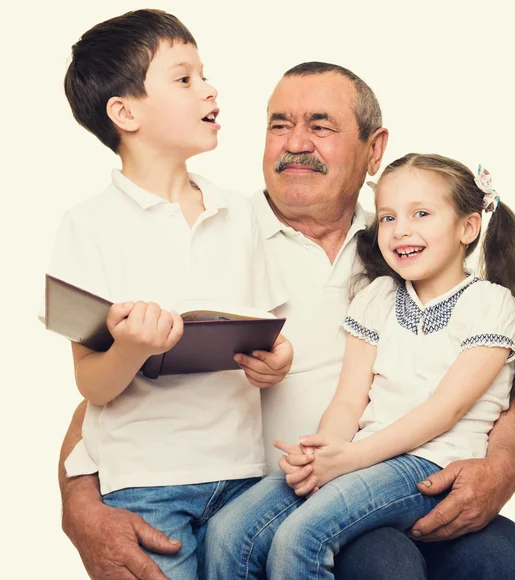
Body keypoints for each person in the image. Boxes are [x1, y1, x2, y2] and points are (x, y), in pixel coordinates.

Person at [58, 62, 515, 580]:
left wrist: (502, 463)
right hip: (281, 492)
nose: (296, 143)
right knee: (382, 563)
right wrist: (81, 507)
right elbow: (109, 387)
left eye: (320, 126)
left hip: (409, 472)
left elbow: (491, 380)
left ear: (374, 149)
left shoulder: (408, 241)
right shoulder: (219, 234)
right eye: (278, 125)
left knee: (504, 558)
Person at [205, 153, 515, 579]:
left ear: (468, 227)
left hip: (431, 462)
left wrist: (351, 458)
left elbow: (443, 412)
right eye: (388, 217)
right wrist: (323, 452)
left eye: (422, 214)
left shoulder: (490, 305)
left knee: (302, 536)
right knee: (228, 532)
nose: (401, 230)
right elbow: (348, 399)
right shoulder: (377, 297)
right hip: (367, 457)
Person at [43, 9, 293, 579]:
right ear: (125, 112)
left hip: (244, 477)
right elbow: (92, 384)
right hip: (144, 485)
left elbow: (271, 334)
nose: (210, 90)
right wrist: (131, 347)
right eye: (184, 79)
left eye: (204, 74)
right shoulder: (89, 226)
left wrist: (277, 363)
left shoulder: (239, 214)